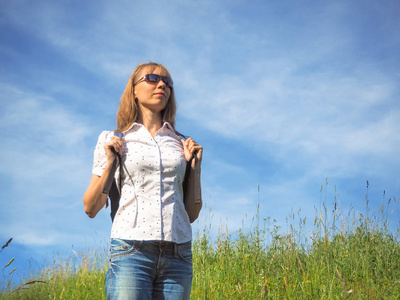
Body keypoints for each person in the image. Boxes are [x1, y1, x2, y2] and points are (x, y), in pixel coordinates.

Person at [83, 62, 203, 299]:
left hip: (178, 254)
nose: (162, 85)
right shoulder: (113, 138)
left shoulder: (182, 143)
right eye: (151, 78)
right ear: (134, 91)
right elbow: (91, 207)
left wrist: (195, 168)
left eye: (168, 82)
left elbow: (191, 213)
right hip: (131, 250)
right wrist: (111, 163)